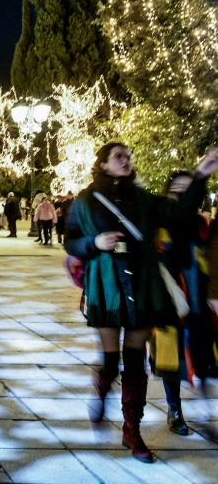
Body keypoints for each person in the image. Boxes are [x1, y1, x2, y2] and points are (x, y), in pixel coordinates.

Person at [65, 142, 218, 463]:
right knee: (109, 360)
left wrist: (200, 175)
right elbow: (72, 241)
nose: (126, 160)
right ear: (104, 164)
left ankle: (131, 430)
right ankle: (102, 390)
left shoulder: (144, 198)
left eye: (128, 156)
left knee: (134, 361)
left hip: (144, 285)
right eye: (118, 156)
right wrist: (94, 241)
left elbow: (178, 214)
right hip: (106, 285)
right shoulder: (85, 201)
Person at [153, 171, 217, 439]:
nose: (180, 198)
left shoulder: (204, 226)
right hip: (169, 304)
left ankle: (206, 413)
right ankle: (174, 409)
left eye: (187, 192)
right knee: (172, 360)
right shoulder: (159, 229)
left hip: (201, 302)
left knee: (204, 360)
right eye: (175, 192)